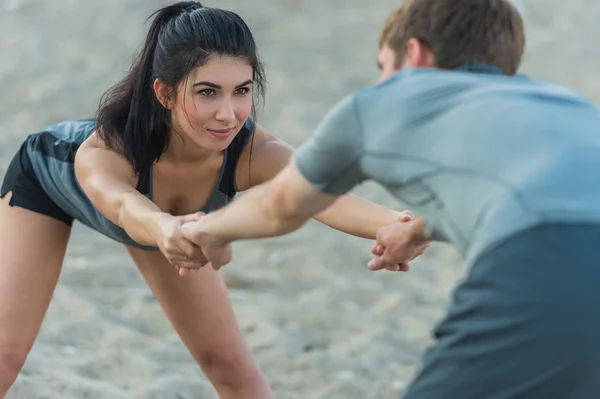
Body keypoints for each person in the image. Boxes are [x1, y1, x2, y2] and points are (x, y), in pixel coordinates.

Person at [0, 1, 430, 398]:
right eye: (207, 92)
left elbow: (319, 190)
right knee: (6, 355)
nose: (228, 113)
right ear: (164, 93)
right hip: (48, 188)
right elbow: (127, 209)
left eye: (241, 90)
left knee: (230, 366)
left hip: (168, 223)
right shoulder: (107, 151)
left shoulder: (249, 150)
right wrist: (168, 228)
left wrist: (396, 223)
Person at [181, 0, 600, 398]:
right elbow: (547, 189)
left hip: (546, 267)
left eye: (384, 67)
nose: (383, 82)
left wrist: (210, 229)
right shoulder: (562, 103)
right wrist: (419, 230)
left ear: (414, 55)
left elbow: (281, 206)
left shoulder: (389, 101)